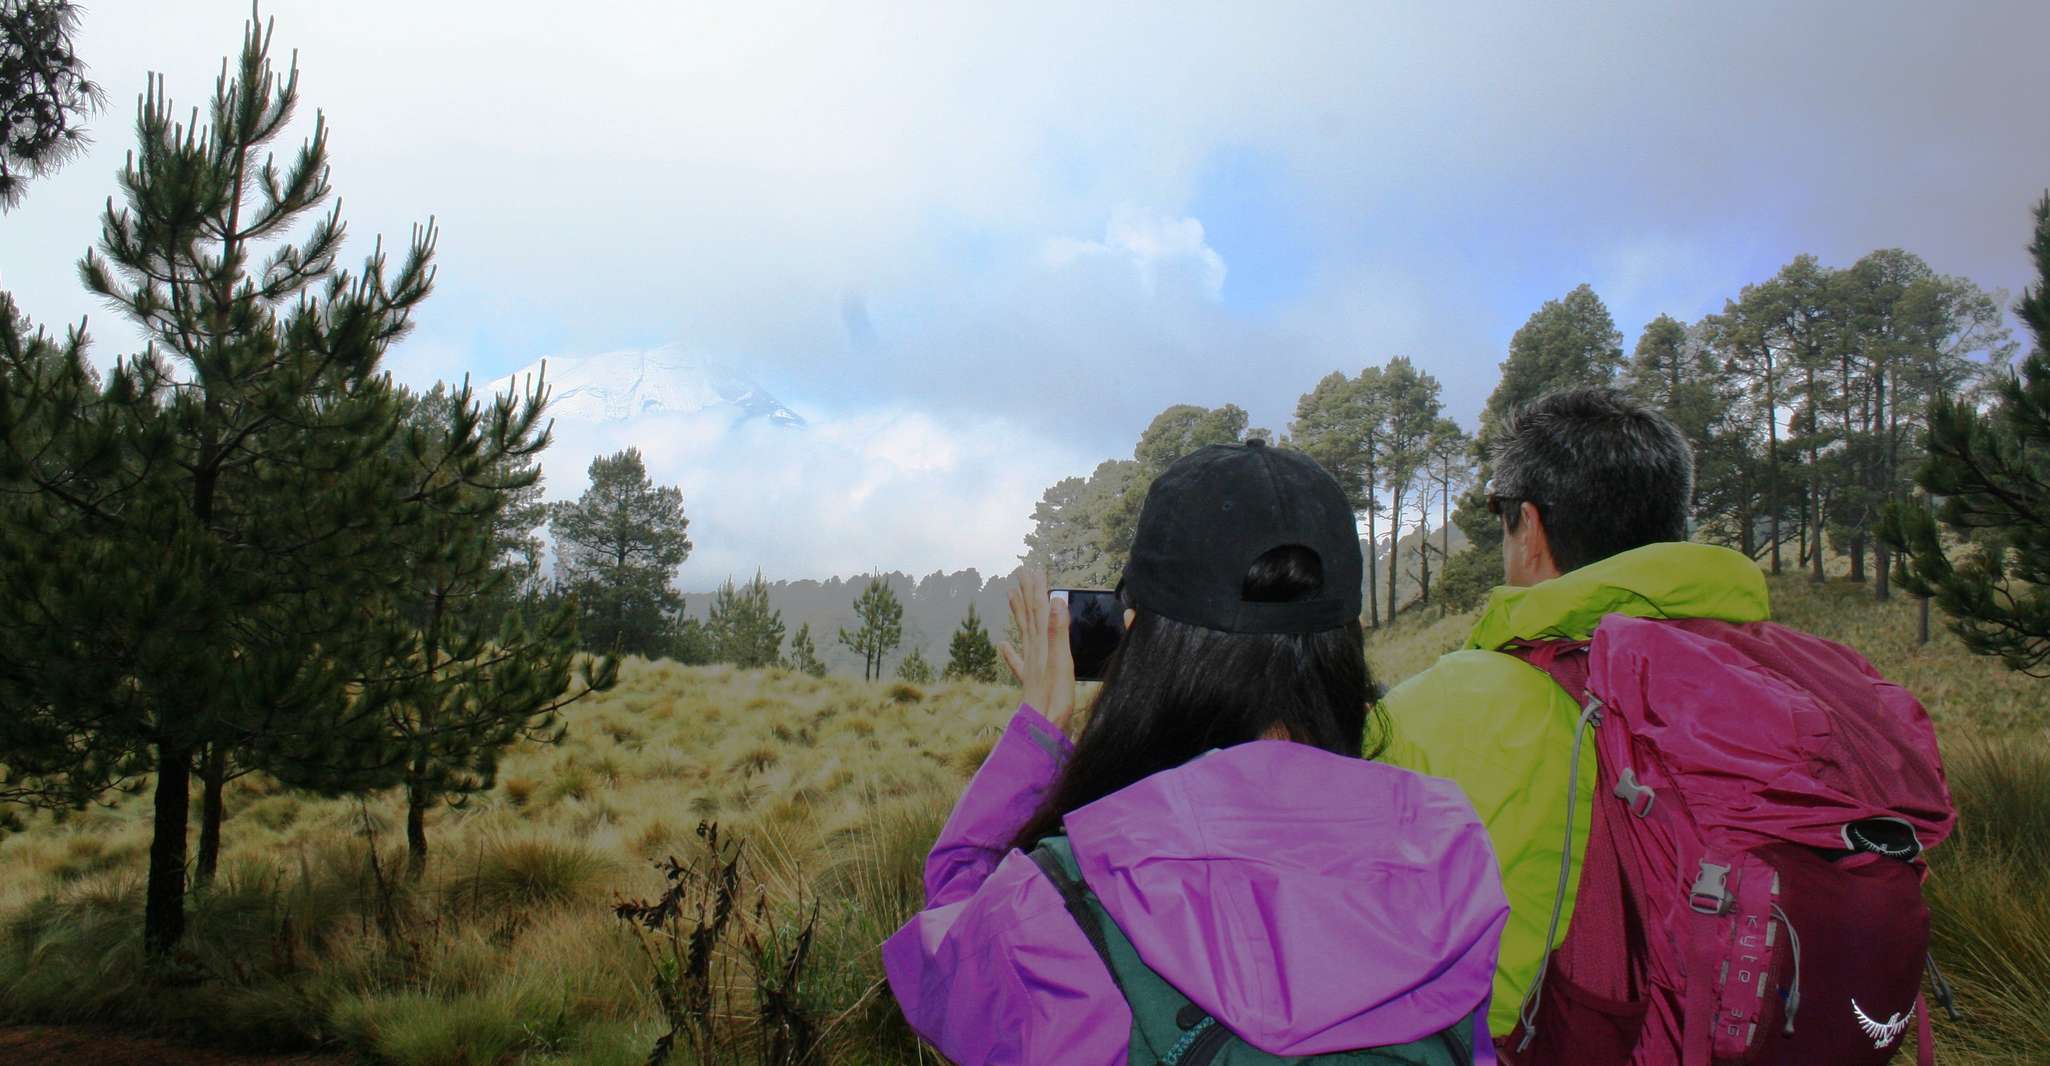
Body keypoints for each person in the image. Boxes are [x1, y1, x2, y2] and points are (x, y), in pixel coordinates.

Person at [883, 438, 1509, 1066]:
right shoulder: (1451, 855)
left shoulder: (1058, 905)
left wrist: (1038, 734)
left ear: (1137, 638)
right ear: (1344, 644)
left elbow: (950, 964)